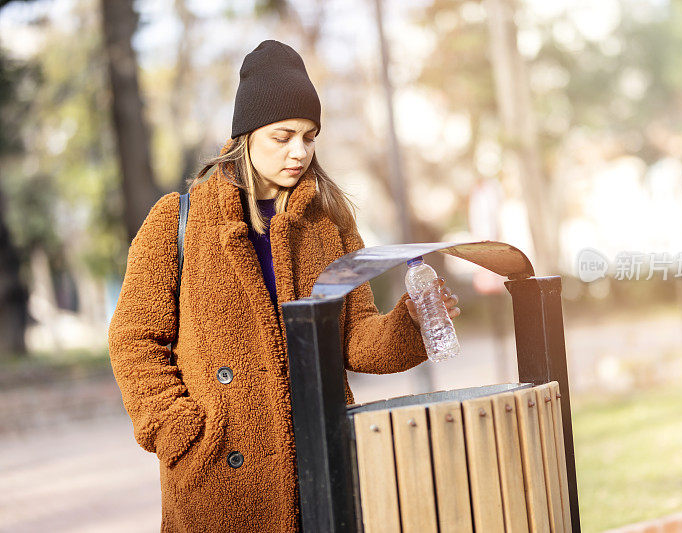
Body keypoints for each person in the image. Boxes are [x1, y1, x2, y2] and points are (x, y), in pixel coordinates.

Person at [107, 39, 461, 532]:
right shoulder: (177, 220)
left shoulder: (330, 221)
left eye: (310, 137)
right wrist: (178, 428)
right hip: (217, 478)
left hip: (322, 462)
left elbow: (356, 339)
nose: (300, 152)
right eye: (283, 136)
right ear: (246, 135)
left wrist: (412, 323)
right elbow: (134, 338)